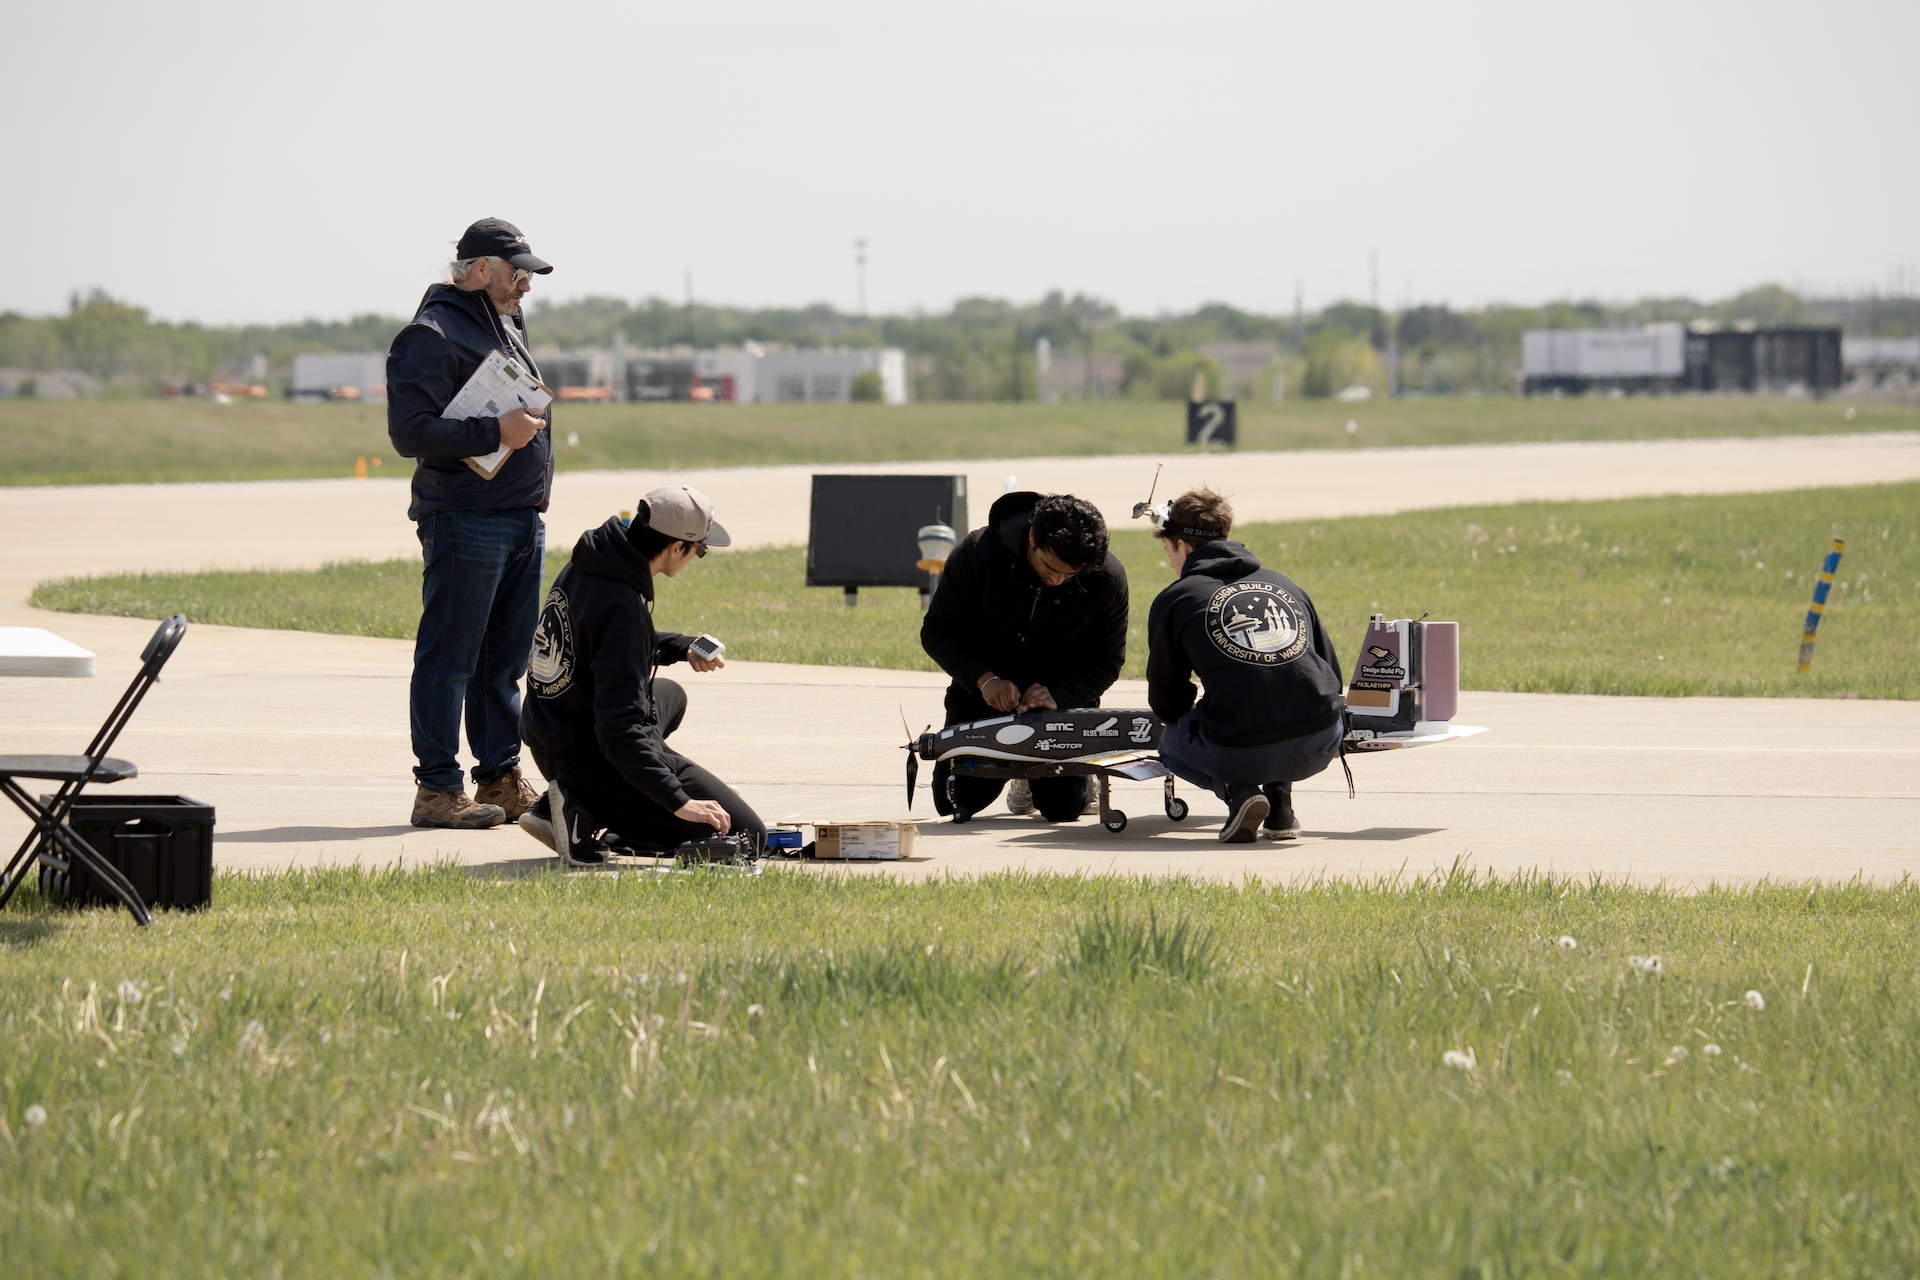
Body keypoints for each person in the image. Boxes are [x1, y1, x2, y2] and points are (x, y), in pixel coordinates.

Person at [387, 218, 555, 829]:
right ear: (480, 270)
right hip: (465, 518)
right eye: (517, 274)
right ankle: (436, 788)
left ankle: (499, 778)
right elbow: (410, 432)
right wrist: (495, 432)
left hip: (518, 516)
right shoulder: (430, 335)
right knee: (450, 657)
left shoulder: (503, 325)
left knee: (502, 662)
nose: (525, 288)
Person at [519, 485, 765, 866]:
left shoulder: (591, 563)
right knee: (745, 835)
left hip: (551, 733)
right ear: (675, 548)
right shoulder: (622, 608)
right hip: (590, 755)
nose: (696, 557)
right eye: (699, 549)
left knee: (670, 695)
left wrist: (682, 646)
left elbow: (602, 646)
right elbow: (619, 732)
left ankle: (562, 798)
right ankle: (583, 809)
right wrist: (678, 801)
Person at [1145, 489, 1346, 843]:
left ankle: (1237, 794)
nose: (1171, 562)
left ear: (1182, 545)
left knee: (1171, 739)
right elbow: (1331, 673)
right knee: (1274, 698)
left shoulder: (1177, 598)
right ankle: (1280, 804)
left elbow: (1167, 700)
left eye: (1168, 552)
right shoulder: (1285, 584)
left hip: (1241, 753)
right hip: (1321, 741)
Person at [920, 491, 1128, 822]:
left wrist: (1059, 695)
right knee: (956, 803)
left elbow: (1108, 660)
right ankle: (1019, 771)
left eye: (1070, 575)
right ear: (1033, 536)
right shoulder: (977, 553)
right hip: (982, 694)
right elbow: (937, 631)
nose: (1058, 580)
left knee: (1063, 810)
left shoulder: (1106, 578)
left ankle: (1051, 781)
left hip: (1062, 702)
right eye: (1050, 567)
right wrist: (984, 679)